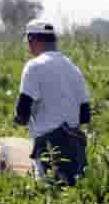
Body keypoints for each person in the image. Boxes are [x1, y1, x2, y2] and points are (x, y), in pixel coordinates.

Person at [14, 20, 91, 185]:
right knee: (76, 195)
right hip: (76, 146)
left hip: (50, 147)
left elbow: (22, 113)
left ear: (32, 40)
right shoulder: (73, 68)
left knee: (51, 194)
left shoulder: (33, 67)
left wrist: (23, 120)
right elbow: (85, 115)